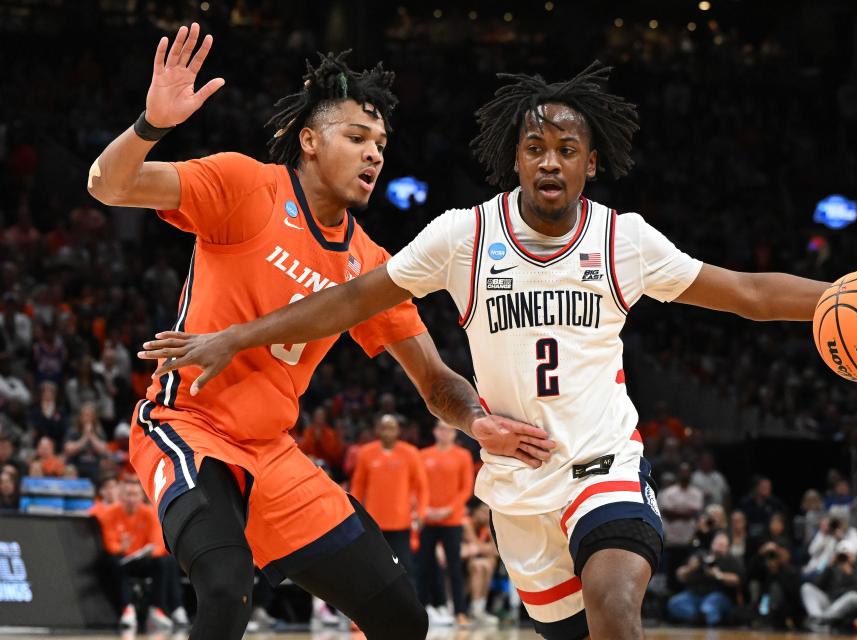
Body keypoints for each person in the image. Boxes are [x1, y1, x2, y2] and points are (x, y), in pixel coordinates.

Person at [138, 62, 857, 639]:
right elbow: (346, 301)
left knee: (617, 609)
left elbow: (747, 293)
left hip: (603, 463)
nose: (549, 160)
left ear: (592, 161)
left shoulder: (625, 241)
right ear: (513, 158)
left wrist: (836, 297)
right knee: (568, 631)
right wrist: (234, 337)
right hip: (517, 486)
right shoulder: (461, 236)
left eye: (567, 148)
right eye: (535, 147)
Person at [89, 24, 550, 640]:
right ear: (307, 141)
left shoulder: (372, 267)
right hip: (186, 429)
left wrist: (475, 421)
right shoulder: (244, 185)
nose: (375, 154)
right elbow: (107, 184)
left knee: (403, 620)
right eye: (357, 137)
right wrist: (151, 125)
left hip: (272, 453)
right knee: (225, 590)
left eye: (381, 143)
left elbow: (435, 380)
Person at [351, 413, 429, 576]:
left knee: (404, 566)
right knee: (374, 566)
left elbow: (422, 487)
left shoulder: (411, 453)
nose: (387, 432)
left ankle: (408, 601)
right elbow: (358, 487)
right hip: (374, 522)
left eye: (391, 428)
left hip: (401, 522)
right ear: (377, 430)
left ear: (398, 431)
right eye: (384, 428)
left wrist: (421, 513)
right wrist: (354, 514)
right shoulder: (366, 453)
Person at [418, 419, 475, 626]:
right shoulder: (423, 455)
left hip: (452, 519)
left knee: (454, 567)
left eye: (448, 429)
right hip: (428, 518)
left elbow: (466, 488)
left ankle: (461, 612)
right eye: (441, 428)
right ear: (435, 432)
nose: (444, 433)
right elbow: (417, 486)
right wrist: (425, 510)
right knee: (423, 566)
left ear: (454, 433)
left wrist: (449, 509)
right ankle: (421, 610)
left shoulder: (463, 455)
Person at [100, 477, 174, 631]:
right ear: (121, 496)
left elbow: (158, 544)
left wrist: (150, 552)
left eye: (135, 495)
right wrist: (122, 548)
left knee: (163, 562)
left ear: (141, 497)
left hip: (143, 559)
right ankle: (128, 609)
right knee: (115, 561)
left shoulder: (150, 514)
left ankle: (156, 608)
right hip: (123, 560)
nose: (131, 499)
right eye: (128, 494)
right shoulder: (110, 514)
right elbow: (110, 544)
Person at [667, 531, 743, 626]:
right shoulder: (700, 556)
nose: (719, 547)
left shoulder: (731, 560)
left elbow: (737, 580)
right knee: (674, 603)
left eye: (722, 545)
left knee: (710, 605)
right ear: (712, 543)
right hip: (694, 595)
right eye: (717, 544)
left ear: (728, 548)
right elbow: (679, 575)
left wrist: (717, 575)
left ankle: (706, 621)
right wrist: (691, 568)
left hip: (718, 595)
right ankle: (699, 618)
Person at [800, 539, 857, 632]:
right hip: (830, 602)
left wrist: (850, 573)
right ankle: (818, 618)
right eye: (841, 555)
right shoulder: (833, 568)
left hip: (845, 605)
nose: (844, 558)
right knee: (806, 587)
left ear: (854, 555)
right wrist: (828, 566)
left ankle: (818, 621)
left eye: (847, 555)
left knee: (853, 596)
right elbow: (817, 585)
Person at [461, 500, 500, 626]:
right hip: (460, 563)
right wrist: (485, 548)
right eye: (482, 512)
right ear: (475, 511)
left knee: (488, 564)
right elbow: (476, 546)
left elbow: (496, 551)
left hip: (477, 560)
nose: (485, 516)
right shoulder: (467, 523)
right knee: (479, 565)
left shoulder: (486, 527)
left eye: (487, 513)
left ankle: (479, 607)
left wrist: (489, 531)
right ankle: (475, 609)